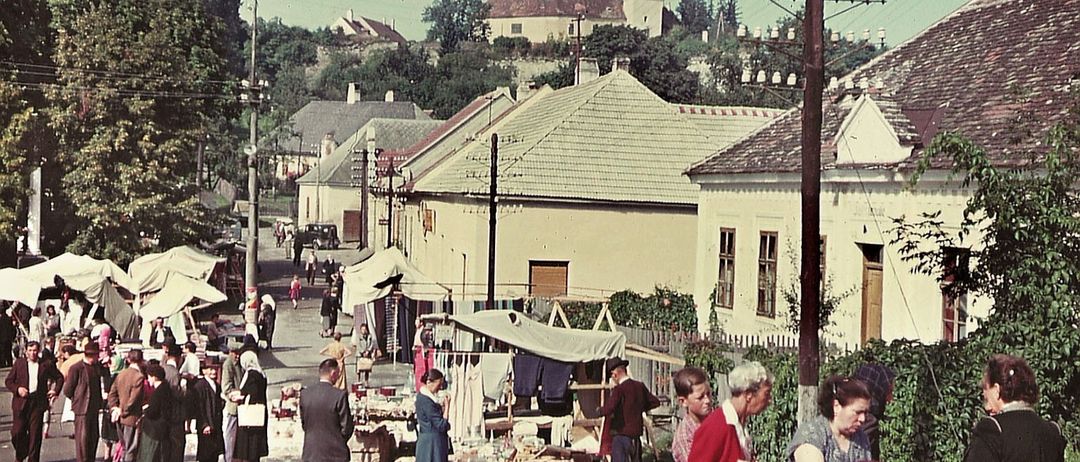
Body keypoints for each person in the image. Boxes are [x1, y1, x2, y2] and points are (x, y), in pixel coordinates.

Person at [963, 354, 1066, 462]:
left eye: (985, 389)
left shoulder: (992, 430)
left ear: (997, 390)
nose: (986, 406)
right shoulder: (1053, 432)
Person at [689, 361, 773, 462]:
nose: (769, 400)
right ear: (749, 394)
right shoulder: (717, 426)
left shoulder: (738, 425)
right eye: (766, 393)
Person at [786, 375, 873, 462]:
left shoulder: (861, 438)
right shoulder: (811, 435)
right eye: (858, 412)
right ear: (836, 406)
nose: (863, 419)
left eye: (865, 412)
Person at [5, 340, 64, 462]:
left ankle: (33, 459)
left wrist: (55, 391)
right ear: (26, 352)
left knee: (35, 435)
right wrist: (18, 389)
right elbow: (9, 381)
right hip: (21, 403)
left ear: (39, 351)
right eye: (30, 351)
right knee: (17, 432)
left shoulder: (45, 364)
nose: (32, 353)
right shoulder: (19, 364)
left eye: (35, 351)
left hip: (37, 403)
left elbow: (59, 377)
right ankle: (21, 454)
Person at [597, 357, 661, 462]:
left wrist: (600, 411)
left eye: (612, 376)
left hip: (621, 436)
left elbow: (609, 408)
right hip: (635, 438)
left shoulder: (619, 390)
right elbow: (655, 402)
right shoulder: (639, 386)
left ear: (615, 374)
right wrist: (639, 408)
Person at [301, 358, 356, 462]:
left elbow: (304, 424)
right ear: (333, 373)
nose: (339, 377)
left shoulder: (305, 394)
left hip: (311, 453)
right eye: (338, 373)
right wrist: (337, 440)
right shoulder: (339, 395)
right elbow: (346, 427)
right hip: (335, 454)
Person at [63, 342, 104, 462]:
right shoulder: (77, 368)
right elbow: (67, 390)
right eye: (96, 355)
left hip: (94, 408)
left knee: (93, 438)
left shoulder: (96, 367)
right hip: (82, 409)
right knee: (82, 441)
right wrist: (77, 398)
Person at [853, 363, 896, 460]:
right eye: (889, 391)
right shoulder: (867, 420)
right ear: (879, 387)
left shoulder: (846, 408)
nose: (890, 399)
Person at [109, 349, 146, 462]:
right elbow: (133, 399)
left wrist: (114, 408)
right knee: (131, 448)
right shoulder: (138, 377)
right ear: (141, 360)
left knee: (124, 447)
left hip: (119, 418)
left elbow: (112, 394)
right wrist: (124, 411)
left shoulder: (121, 374)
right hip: (132, 417)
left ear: (129, 360)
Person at [670, 367, 712, 462]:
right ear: (683, 401)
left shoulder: (715, 421)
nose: (707, 400)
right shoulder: (684, 438)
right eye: (700, 397)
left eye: (708, 394)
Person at [234, 350, 269, 462]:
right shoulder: (261, 374)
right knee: (255, 450)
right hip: (259, 414)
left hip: (250, 416)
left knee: (248, 449)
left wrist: (240, 397)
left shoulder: (251, 374)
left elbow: (252, 392)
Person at [138, 364, 174, 462]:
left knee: (152, 457)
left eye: (149, 377)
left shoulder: (159, 392)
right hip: (163, 429)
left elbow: (153, 412)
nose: (148, 380)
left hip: (155, 431)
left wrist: (146, 409)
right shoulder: (166, 388)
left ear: (154, 377)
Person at [191, 361, 225, 462]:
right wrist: (204, 424)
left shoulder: (217, 386)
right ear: (204, 370)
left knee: (215, 453)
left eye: (215, 368)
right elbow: (199, 408)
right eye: (210, 369)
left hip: (216, 424)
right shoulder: (199, 386)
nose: (214, 371)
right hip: (206, 426)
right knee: (206, 454)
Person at [415, 368, 451, 462]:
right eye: (438, 385)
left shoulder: (423, 398)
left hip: (429, 441)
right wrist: (447, 407)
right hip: (432, 445)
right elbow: (441, 425)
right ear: (429, 382)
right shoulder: (426, 401)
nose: (440, 388)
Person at [162, 344, 187, 462]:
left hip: (162, 415)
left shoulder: (161, 369)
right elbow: (178, 394)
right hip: (175, 416)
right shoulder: (175, 373)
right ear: (179, 357)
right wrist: (184, 388)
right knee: (176, 449)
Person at [221, 347, 244, 462]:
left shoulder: (239, 364)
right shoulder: (228, 364)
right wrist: (237, 394)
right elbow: (226, 388)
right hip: (233, 407)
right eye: (235, 353)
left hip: (242, 408)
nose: (238, 356)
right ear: (230, 352)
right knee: (230, 437)